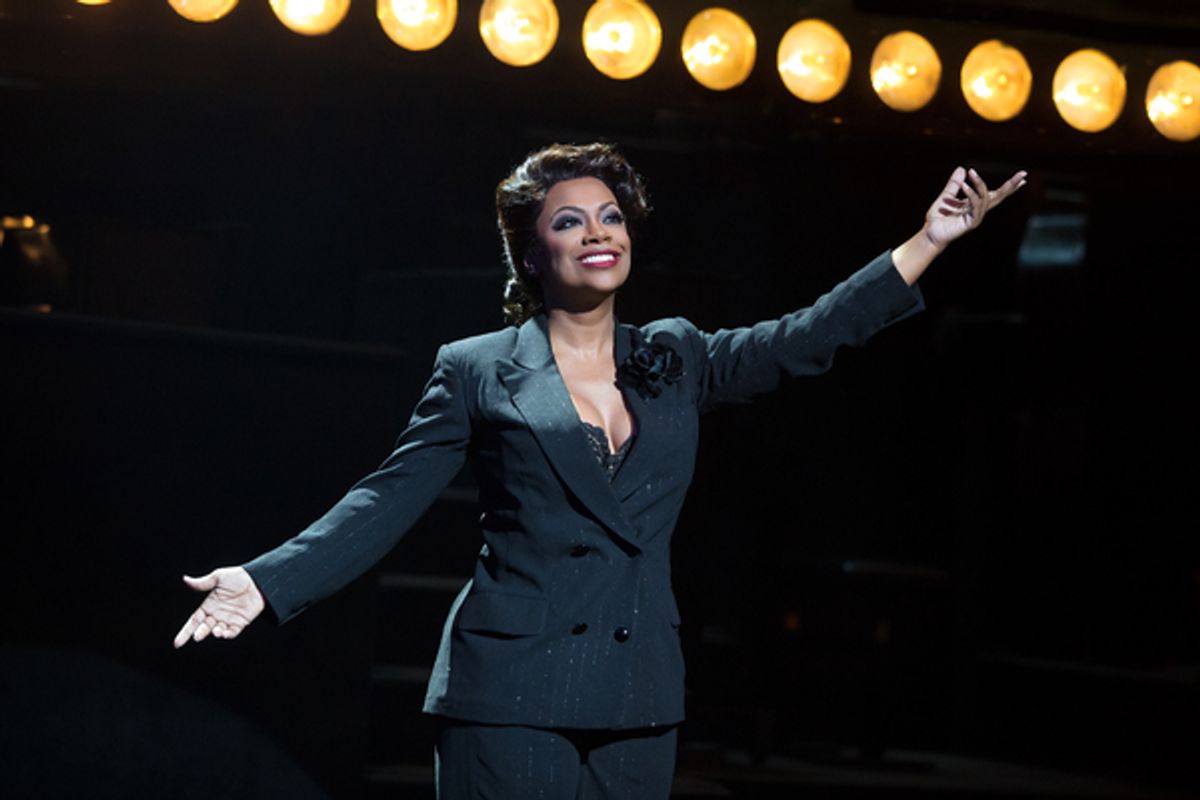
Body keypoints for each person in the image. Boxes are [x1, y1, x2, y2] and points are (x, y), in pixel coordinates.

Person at [173, 142, 1026, 798]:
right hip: (506, 690)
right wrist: (266, 579)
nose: (597, 233)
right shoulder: (477, 366)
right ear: (530, 255)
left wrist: (928, 240)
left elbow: (806, 335)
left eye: (610, 216)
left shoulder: (676, 355)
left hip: (636, 693)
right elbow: (387, 496)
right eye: (569, 220)